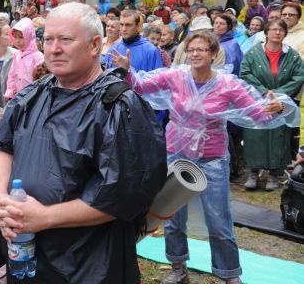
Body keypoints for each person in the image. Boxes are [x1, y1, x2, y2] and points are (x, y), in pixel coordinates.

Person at [0, 2, 167, 283]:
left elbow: (120, 193)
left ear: (95, 45)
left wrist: (45, 217)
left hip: (89, 264)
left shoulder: (118, 107)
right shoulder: (31, 95)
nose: (54, 49)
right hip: (27, 252)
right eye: (48, 40)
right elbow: (3, 147)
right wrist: (1, 202)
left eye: (65, 40)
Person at [109, 30, 298, 284]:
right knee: (173, 216)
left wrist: (280, 107)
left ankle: (230, 275)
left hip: (213, 159)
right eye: (191, 49)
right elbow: (141, 86)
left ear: (213, 54)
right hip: (177, 155)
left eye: (201, 49)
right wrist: (128, 70)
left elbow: (257, 113)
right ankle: (178, 267)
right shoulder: (176, 76)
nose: (195, 53)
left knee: (218, 220)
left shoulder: (227, 84)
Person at [241, 19, 304, 190]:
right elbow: (245, 73)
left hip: (280, 103)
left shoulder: (292, 55)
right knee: (255, 136)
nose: (277, 32)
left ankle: (274, 174)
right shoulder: (253, 53)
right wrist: (262, 91)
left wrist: (278, 95)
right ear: (266, 32)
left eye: (281, 30)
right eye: (273, 29)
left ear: (285, 33)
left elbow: (298, 77)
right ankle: (253, 172)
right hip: (257, 101)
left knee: (279, 137)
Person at [4, 17, 44, 100]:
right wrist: (10, 92)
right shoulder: (17, 54)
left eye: (21, 37)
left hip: (33, 97)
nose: (17, 41)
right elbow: (12, 75)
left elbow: (40, 79)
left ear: (29, 36)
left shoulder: (38, 56)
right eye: (15, 37)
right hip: (18, 97)